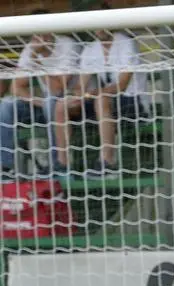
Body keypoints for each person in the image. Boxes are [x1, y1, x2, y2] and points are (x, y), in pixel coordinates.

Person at [54, 18, 149, 177]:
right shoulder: (91, 49)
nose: (99, 29)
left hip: (134, 101)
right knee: (61, 105)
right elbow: (81, 86)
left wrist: (93, 93)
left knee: (102, 98)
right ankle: (62, 164)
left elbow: (122, 85)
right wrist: (76, 97)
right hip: (106, 104)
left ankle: (108, 162)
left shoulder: (126, 43)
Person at [0, 8, 79, 177]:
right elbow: (16, 87)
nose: (39, 34)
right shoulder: (32, 47)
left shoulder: (68, 44)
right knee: (6, 105)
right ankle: (6, 167)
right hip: (45, 105)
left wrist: (38, 60)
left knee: (52, 101)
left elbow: (59, 89)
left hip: (73, 105)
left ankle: (56, 165)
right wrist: (37, 101)